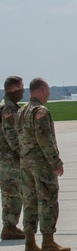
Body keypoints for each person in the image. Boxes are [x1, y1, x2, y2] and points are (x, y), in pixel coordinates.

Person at [16, 78, 70, 251]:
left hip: (26, 164)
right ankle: (48, 241)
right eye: (47, 90)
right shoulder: (40, 111)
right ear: (41, 90)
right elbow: (45, 139)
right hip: (41, 164)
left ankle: (30, 242)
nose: (48, 94)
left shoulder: (22, 111)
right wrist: (56, 161)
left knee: (29, 202)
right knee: (47, 199)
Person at [1, 76, 26, 240]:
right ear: (13, 89)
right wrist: (24, 154)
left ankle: (10, 225)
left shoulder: (9, 107)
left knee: (12, 192)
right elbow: (12, 137)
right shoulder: (8, 110)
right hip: (9, 159)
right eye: (21, 88)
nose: (23, 91)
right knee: (12, 193)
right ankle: (9, 226)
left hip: (8, 158)